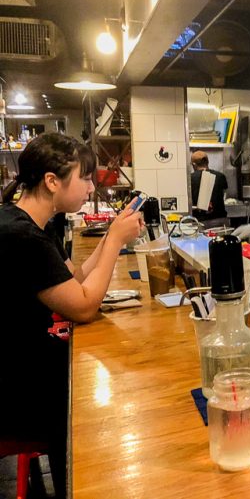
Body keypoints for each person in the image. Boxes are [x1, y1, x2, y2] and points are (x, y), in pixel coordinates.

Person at [0, 133, 144, 498]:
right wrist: (114, 240)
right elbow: (83, 306)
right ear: (52, 181)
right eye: (85, 177)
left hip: (21, 366)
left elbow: (74, 280)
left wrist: (112, 235)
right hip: (15, 391)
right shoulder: (22, 237)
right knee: (94, 407)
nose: (90, 186)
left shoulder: (30, 224)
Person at [190, 150, 228, 222]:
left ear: (194, 165)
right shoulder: (220, 176)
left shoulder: (189, 178)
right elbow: (224, 194)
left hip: (199, 221)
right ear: (207, 162)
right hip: (219, 219)